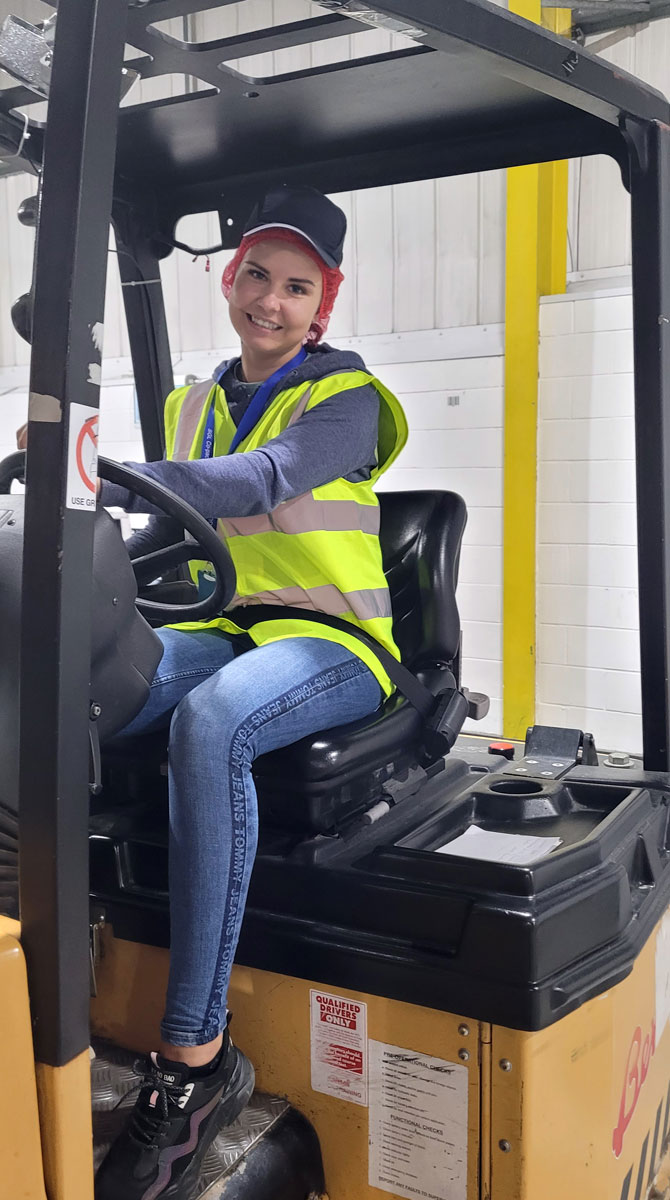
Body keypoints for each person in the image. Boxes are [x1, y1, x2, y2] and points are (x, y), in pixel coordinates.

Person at [89, 185, 408, 1200]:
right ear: (230, 282)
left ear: (326, 303)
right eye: (255, 276)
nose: (270, 299)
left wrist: (127, 471)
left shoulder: (347, 401)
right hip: (225, 627)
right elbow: (166, 536)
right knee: (69, 687)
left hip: (335, 646)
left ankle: (194, 1057)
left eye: (296, 286)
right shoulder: (193, 398)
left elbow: (264, 478)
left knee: (211, 722)